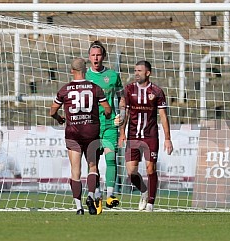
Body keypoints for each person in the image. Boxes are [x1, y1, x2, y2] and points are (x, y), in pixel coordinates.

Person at [50, 57, 112, 215]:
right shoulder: (95, 88)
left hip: (73, 133)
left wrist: (59, 119)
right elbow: (108, 109)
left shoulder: (65, 89)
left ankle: (78, 207)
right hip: (91, 132)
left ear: (72, 71)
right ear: (85, 71)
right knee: (93, 167)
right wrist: (104, 115)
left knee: (75, 171)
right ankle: (90, 195)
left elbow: (52, 111)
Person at [118, 60, 173, 212]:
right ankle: (143, 191)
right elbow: (125, 113)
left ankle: (150, 204)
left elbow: (163, 116)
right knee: (131, 172)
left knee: (150, 168)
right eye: (135, 70)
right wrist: (122, 133)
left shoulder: (156, 91)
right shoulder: (128, 89)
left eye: (139, 71)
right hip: (133, 135)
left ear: (147, 73)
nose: (136, 73)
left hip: (150, 135)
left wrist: (167, 138)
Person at [86, 40, 125, 214]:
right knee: (93, 163)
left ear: (104, 56)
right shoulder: (84, 76)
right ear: (89, 57)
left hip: (109, 124)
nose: (96, 58)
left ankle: (110, 196)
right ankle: (97, 196)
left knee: (111, 158)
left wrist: (122, 114)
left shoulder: (113, 75)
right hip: (91, 125)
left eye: (98, 55)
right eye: (93, 55)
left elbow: (122, 97)